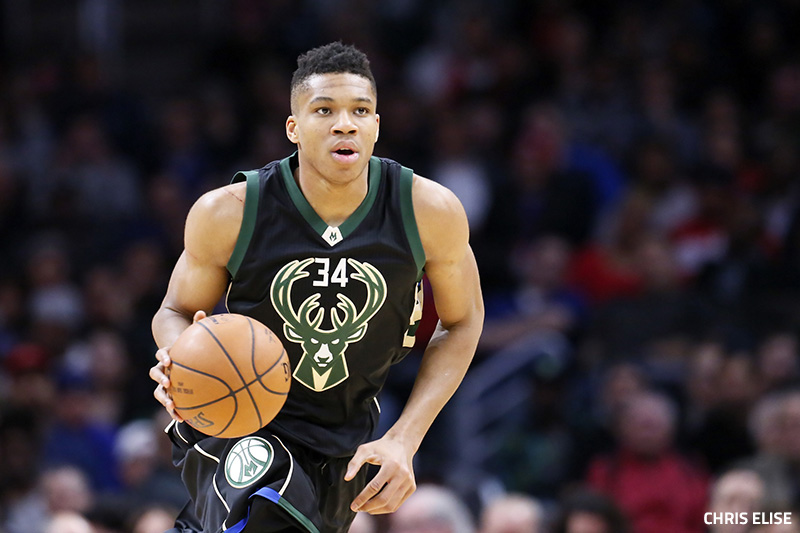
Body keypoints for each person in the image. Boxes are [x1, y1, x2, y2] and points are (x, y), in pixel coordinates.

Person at [148, 42, 484, 533]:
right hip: (239, 422)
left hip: (344, 440)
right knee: (267, 505)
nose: (344, 123)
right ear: (293, 129)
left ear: (375, 127)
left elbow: (463, 321)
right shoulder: (229, 212)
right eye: (324, 110)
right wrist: (182, 360)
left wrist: (404, 440)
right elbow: (174, 309)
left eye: (360, 111)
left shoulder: (429, 212)